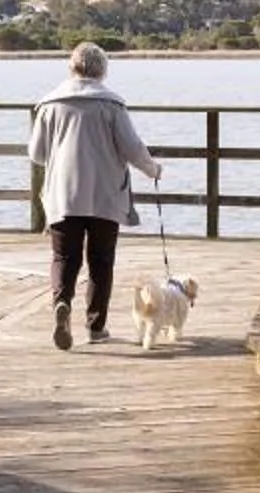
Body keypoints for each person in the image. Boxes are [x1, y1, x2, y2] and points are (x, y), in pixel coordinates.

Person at [27, 42, 163, 350]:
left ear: (72, 67)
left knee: (64, 256)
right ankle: (95, 326)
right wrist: (152, 169)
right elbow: (132, 148)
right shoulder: (111, 104)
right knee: (101, 261)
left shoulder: (49, 104)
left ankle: (62, 303)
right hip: (105, 195)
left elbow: (36, 154)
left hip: (63, 194)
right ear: (102, 71)